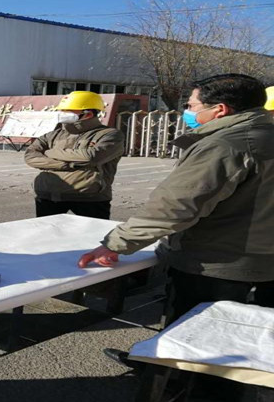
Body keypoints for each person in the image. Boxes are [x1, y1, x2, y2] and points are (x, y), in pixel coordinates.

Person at [78, 75, 274, 397]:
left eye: (192, 105)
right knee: (245, 348)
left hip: (216, 266)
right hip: (262, 263)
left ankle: (182, 386)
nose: (188, 111)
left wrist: (115, 244)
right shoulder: (265, 135)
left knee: (201, 349)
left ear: (220, 109)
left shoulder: (225, 145)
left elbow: (173, 208)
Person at [24, 91, 125, 220]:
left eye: (67, 111)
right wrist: (69, 164)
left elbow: (91, 157)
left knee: (94, 232)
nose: (62, 113)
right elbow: (30, 156)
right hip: (47, 195)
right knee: (47, 232)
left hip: (89, 197)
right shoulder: (52, 135)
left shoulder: (110, 135)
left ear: (88, 114)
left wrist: (49, 152)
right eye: (62, 110)